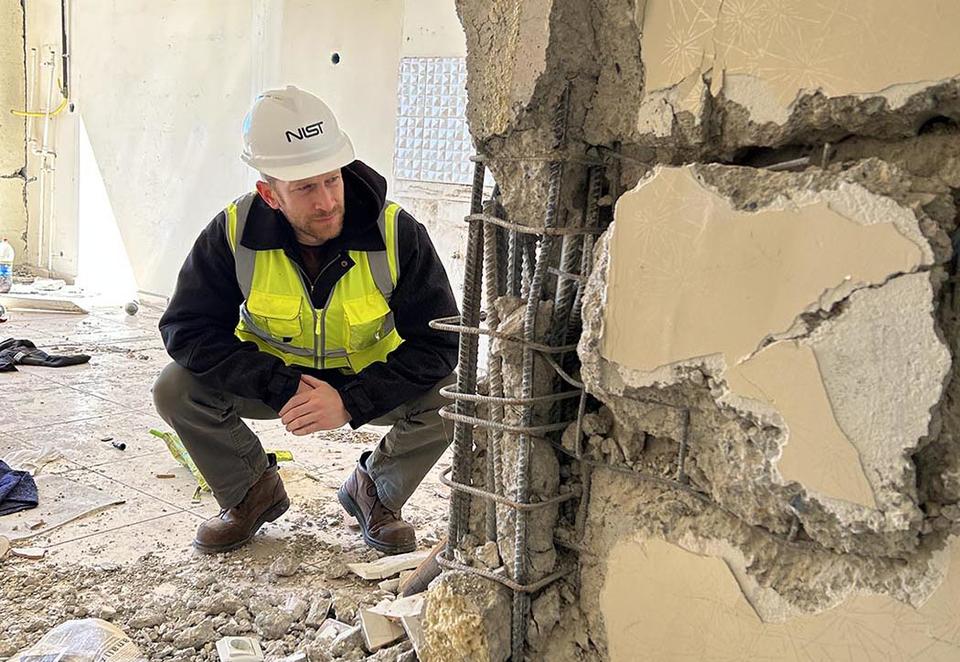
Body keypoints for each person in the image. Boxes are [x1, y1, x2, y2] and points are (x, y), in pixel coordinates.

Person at [153, 85, 459, 555]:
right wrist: (282, 386)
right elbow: (187, 329)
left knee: (454, 397)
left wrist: (351, 401)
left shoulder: (398, 234)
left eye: (331, 180)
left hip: (368, 378)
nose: (327, 201)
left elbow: (439, 343)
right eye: (305, 188)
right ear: (269, 193)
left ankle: (375, 490)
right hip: (274, 380)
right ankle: (250, 491)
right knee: (175, 388)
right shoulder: (233, 233)